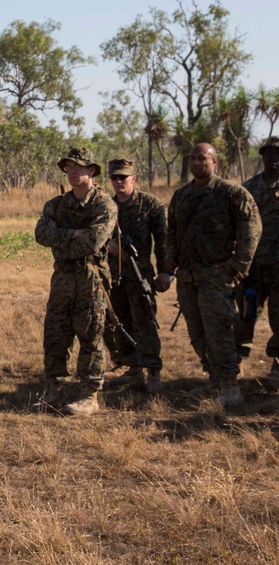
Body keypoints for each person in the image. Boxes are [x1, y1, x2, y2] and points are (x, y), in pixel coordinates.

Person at [166, 142, 261, 407]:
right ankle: (214, 380)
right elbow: (170, 230)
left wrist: (236, 265)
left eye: (202, 158)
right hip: (188, 278)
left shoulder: (231, 192)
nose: (197, 163)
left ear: (214, 162)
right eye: (193, 158)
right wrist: (170, 258)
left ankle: (231, 384)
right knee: (197, 333)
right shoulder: (181, 195)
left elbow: (251, 230)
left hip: (216, 277)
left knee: (218, 331)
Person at [34, 147, 118, 416]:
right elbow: (41, 234)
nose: (72, 171)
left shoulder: (104, 204)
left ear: (91, 170)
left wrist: (63, 236)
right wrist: (76, 233)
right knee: (55, 336)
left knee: (91, 336)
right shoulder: (56, 205)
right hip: (62, 280)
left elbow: (94, 241)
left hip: (91, 279)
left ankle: (89, 395)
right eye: (68, 167)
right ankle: (54, 391)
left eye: (78, 167)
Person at [102, 159, 173, 392]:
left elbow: (162, 241)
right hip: (114, 276)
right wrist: (108, 244)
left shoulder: (149, 204)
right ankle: (131, 368)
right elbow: (95, 238)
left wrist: (165, 272)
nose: (119, 181)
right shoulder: (106, 207)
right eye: (115, 177)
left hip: (140, 273)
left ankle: (153, 369)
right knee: (118, 322)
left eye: (123, 177)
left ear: (134, 178)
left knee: (145, 321)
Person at [235, 137, 279, 388]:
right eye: (269, 154)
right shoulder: (248, 189)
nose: (274, 158)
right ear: (262, 157)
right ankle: (239, 358)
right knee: (246, 313)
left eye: (278, 154)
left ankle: (277, 364)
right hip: (253, 268)